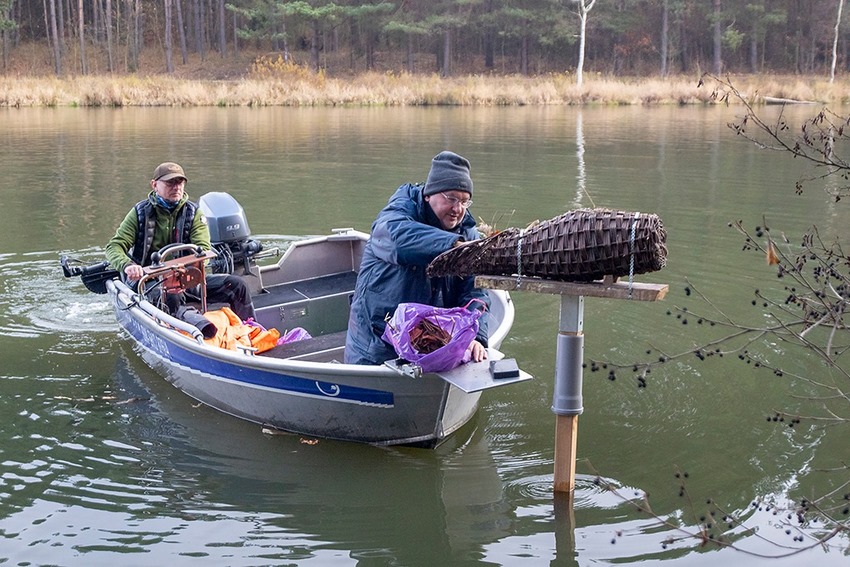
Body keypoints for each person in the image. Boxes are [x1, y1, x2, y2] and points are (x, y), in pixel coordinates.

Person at [344, 150, 490, 366]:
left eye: (465, 201)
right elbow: (395, 237)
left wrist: (475, 337)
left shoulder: (468, 234)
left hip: (432, 343)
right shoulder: (396, 215)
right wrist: (453, 246)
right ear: (428, 194)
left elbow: (475, 291)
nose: (457, 209)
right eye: (451, 198)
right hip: (376, 342)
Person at [105, 162, 255, 328]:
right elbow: (114, 246)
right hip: (149, 282)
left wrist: (183, 276)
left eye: (180, 182)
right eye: (170, 183)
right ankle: (197, 330)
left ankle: (251, 331)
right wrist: (128, 266)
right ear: (154, 185)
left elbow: (203, 250)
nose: (176, 187)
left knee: (238, 286)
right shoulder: (139, 213)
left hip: (187, 278)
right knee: (170, 297)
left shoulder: (194, 213)